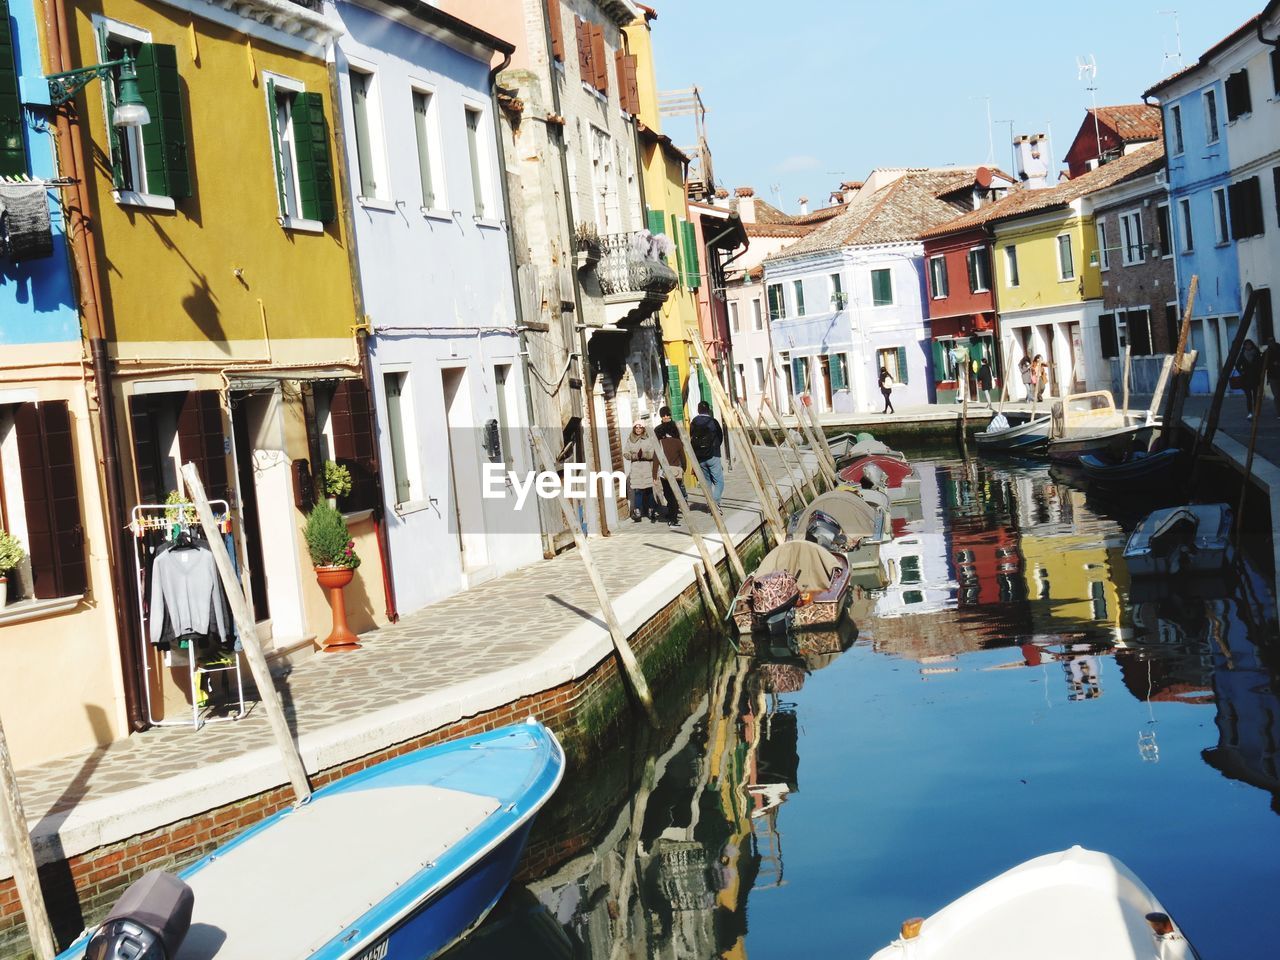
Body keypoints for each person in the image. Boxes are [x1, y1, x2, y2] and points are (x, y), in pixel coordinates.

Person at [654, 407, 686, 526]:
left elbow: (680, 446)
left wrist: (683, 466)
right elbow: (656, 450)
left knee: (677, 491)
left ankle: (674, 512)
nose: (666, 417)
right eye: (664, 415)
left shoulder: (676, 427)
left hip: (675, 464)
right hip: (664, 467)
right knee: (668, 492)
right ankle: (672, 510)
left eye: (668, 415)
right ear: (661, 417)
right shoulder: (657, 430)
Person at [622, 421, 659, 522]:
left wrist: (643, 455)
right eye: (636, 427)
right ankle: (637, 510)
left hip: (646, 467)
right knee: (637, 490)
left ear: (643, 428)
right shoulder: (630, 440)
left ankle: (651, 509)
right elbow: (625, 453)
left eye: (640, 427)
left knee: (648, 490)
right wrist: (634, 456)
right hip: (636, 468)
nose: (638, 429)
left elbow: (652, 453)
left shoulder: (648, 438)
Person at [689, 401, 724, 505]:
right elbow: (720, 437)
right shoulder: (713, 422)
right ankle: (715, 503)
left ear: (698, 410)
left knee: (707, 482)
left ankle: (710, 504)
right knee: (719, 482)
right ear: (708, 410)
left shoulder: (693, 422)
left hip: (700, 457)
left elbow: (691, 437)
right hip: (713, 455)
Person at [1238, 339, 1263, 420]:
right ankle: (1250, 412)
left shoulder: (1256, 353)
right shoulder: (1242, 354)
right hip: (1246, 379)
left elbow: (1261, 364)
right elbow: (1237, 365)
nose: (1248, 346)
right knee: (1249, 397)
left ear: (1252, 345)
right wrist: (1241, 372)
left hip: (1255, 378)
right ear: (1244, 346)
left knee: (1256, 396)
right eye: (1246, 345)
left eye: (1249, 344)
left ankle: (1256, 412)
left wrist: (1259, 372)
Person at [1265, 339, 1280, 417]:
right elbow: (1264, 364)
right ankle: (1279, 413)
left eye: (1272, 341)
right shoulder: (1267, 352)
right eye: (1269, 342)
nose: (1271, 343)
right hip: (1272, 377)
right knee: (1277, 395)